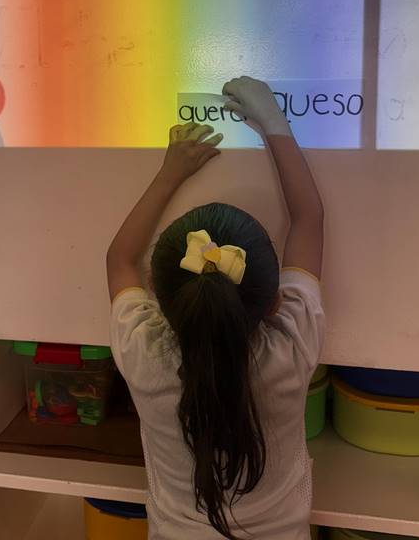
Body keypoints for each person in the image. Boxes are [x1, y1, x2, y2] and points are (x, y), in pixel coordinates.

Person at [107, 76, 325, 540]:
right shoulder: (290, 349)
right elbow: (309, 218)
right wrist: (272, 119)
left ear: (157, 293)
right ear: (275, 302)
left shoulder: (144, 353)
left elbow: (119, 259)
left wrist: (170, 172)